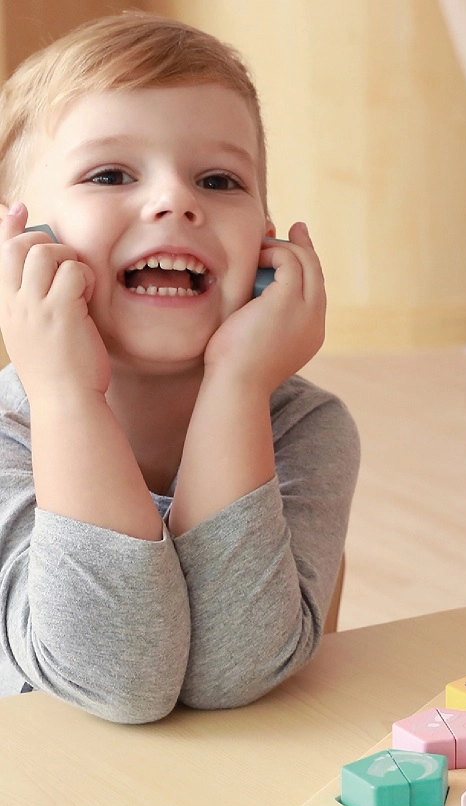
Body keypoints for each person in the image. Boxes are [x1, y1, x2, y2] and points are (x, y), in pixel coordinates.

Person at [0, 12, 359, 721]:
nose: (175, 201)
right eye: (110, 174)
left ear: (265, 245)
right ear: (20, 245)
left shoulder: (306, 426)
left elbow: (235, 670)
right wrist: (66, 396)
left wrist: (238, 385)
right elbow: (115, 679)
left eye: (219, 180)